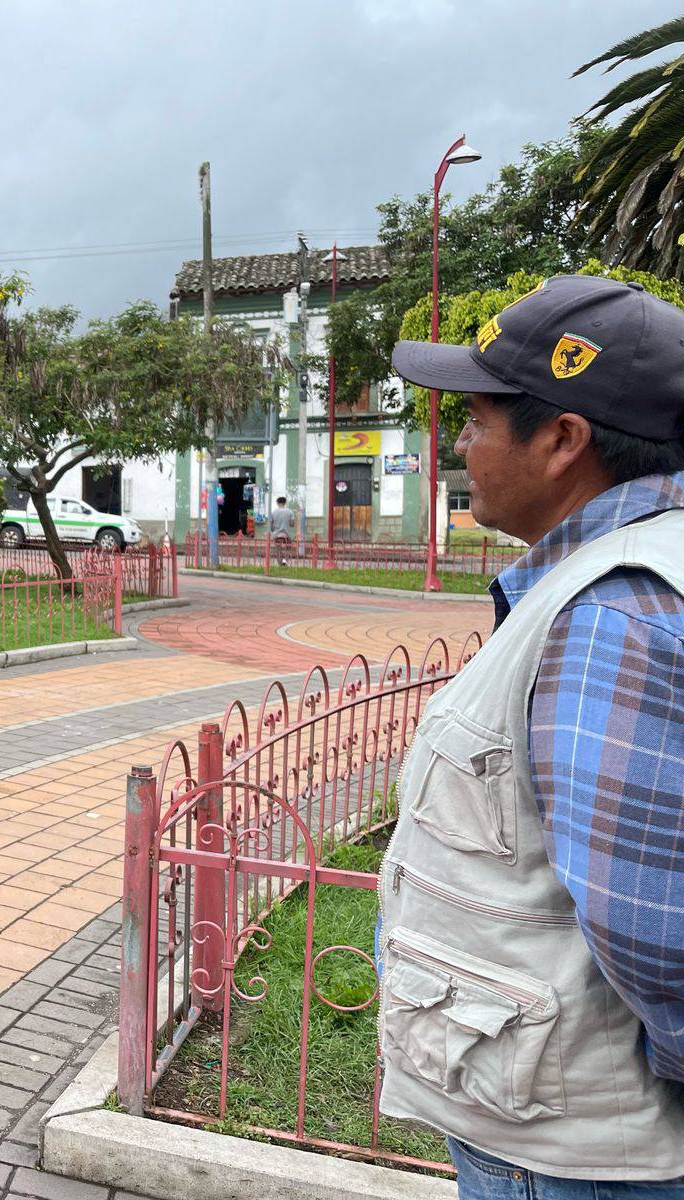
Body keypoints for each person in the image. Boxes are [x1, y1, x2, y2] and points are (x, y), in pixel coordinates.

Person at [381, 274, 684, 1196]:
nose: (460, 445)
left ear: (562, 440)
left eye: (476, 420)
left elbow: (651, 928)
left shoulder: (612, 615)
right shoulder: (619, 576)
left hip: (574, 1152)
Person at [266, 495, 294, 563]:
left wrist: (273, 530)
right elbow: (292, 524)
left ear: (277, 503)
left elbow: (271, 524)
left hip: (276, 534)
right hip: (287, 534)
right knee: (288, 548)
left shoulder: (273, 512)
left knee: (277, 549)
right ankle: (285, 561)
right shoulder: (290, 511)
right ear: (285, 503)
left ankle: (279, 562)